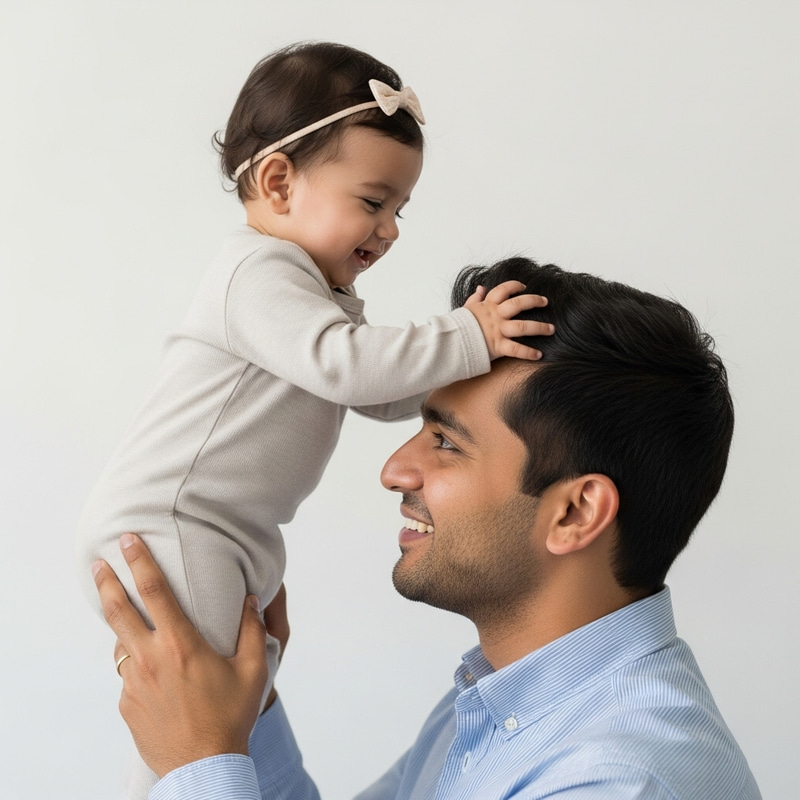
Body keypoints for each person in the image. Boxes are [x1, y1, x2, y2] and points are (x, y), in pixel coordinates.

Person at [92, 257, 762, 799]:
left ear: (575, 513)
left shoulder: (621, 779)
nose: (393, 469)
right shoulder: (498, 707)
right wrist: (241, 717)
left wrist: (200, 766)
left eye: (446, 441)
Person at [75, 43, 552, 797]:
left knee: (208, 721)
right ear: (277, 182)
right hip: (173, 523)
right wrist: (467, 336)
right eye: (372, 201)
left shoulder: (310, 297)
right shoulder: (257, 273)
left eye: (399, 210)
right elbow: (351, 367)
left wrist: (474, 362)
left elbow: (376, 393)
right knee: (194, 730)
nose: (390, 229)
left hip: (222, 531)